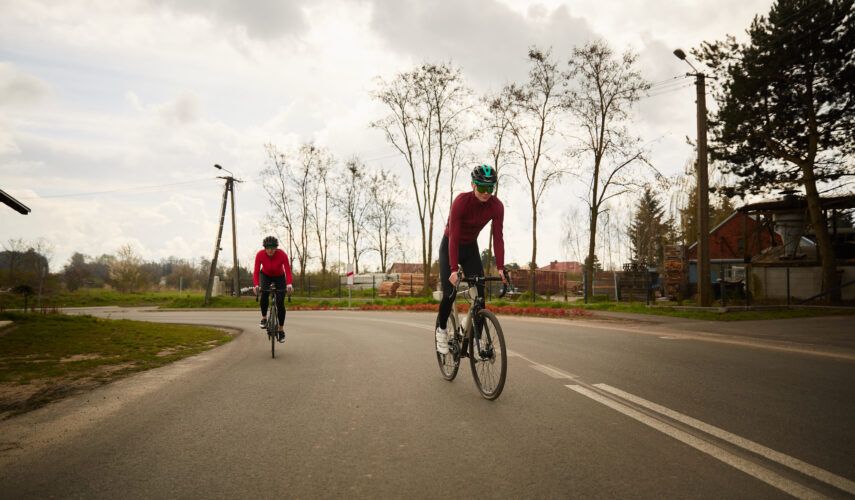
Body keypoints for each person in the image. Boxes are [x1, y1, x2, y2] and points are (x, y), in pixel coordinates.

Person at [435, 164, 508, 354]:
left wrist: (501, 267)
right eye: (482, 187)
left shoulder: (497, 206)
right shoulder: (461, 202)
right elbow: (454, 237)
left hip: (470, 248)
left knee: (480, 297)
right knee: (450, 293)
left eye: (490, 188)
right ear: (473, 185)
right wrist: (453, 269)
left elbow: (498, 238)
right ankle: (441, 331)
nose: (486, 193)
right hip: (450, 245)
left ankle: (476, 339)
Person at [253, 236, 293, 343]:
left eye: (272, 248)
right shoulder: (260, 255)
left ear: (276, 248)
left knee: (280, 303)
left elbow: (288, 272)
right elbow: (256, 272)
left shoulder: (282, 255)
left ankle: (281, 330)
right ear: (265, 248)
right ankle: (264, 318)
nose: (270, 250)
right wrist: (256, 285)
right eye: (268, 248)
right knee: (264, 294)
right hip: (265, 275)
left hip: (279, 276)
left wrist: (289, 284)